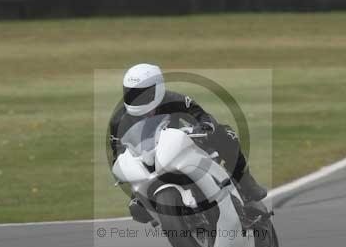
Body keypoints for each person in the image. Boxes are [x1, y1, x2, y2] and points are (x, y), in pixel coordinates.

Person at [109, 63, 267, 223]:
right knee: (137, 209)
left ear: (158, 88)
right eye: (132, 94)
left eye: (143, 94)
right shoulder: (119, 120)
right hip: (149, 164)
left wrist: (206, 128)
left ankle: (245, 181)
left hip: (181, 148)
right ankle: (170, 215)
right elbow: (118, 153)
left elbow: (200, 114)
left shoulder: (173, 99)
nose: (137, 99)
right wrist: (124, 170)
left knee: (226, 134)